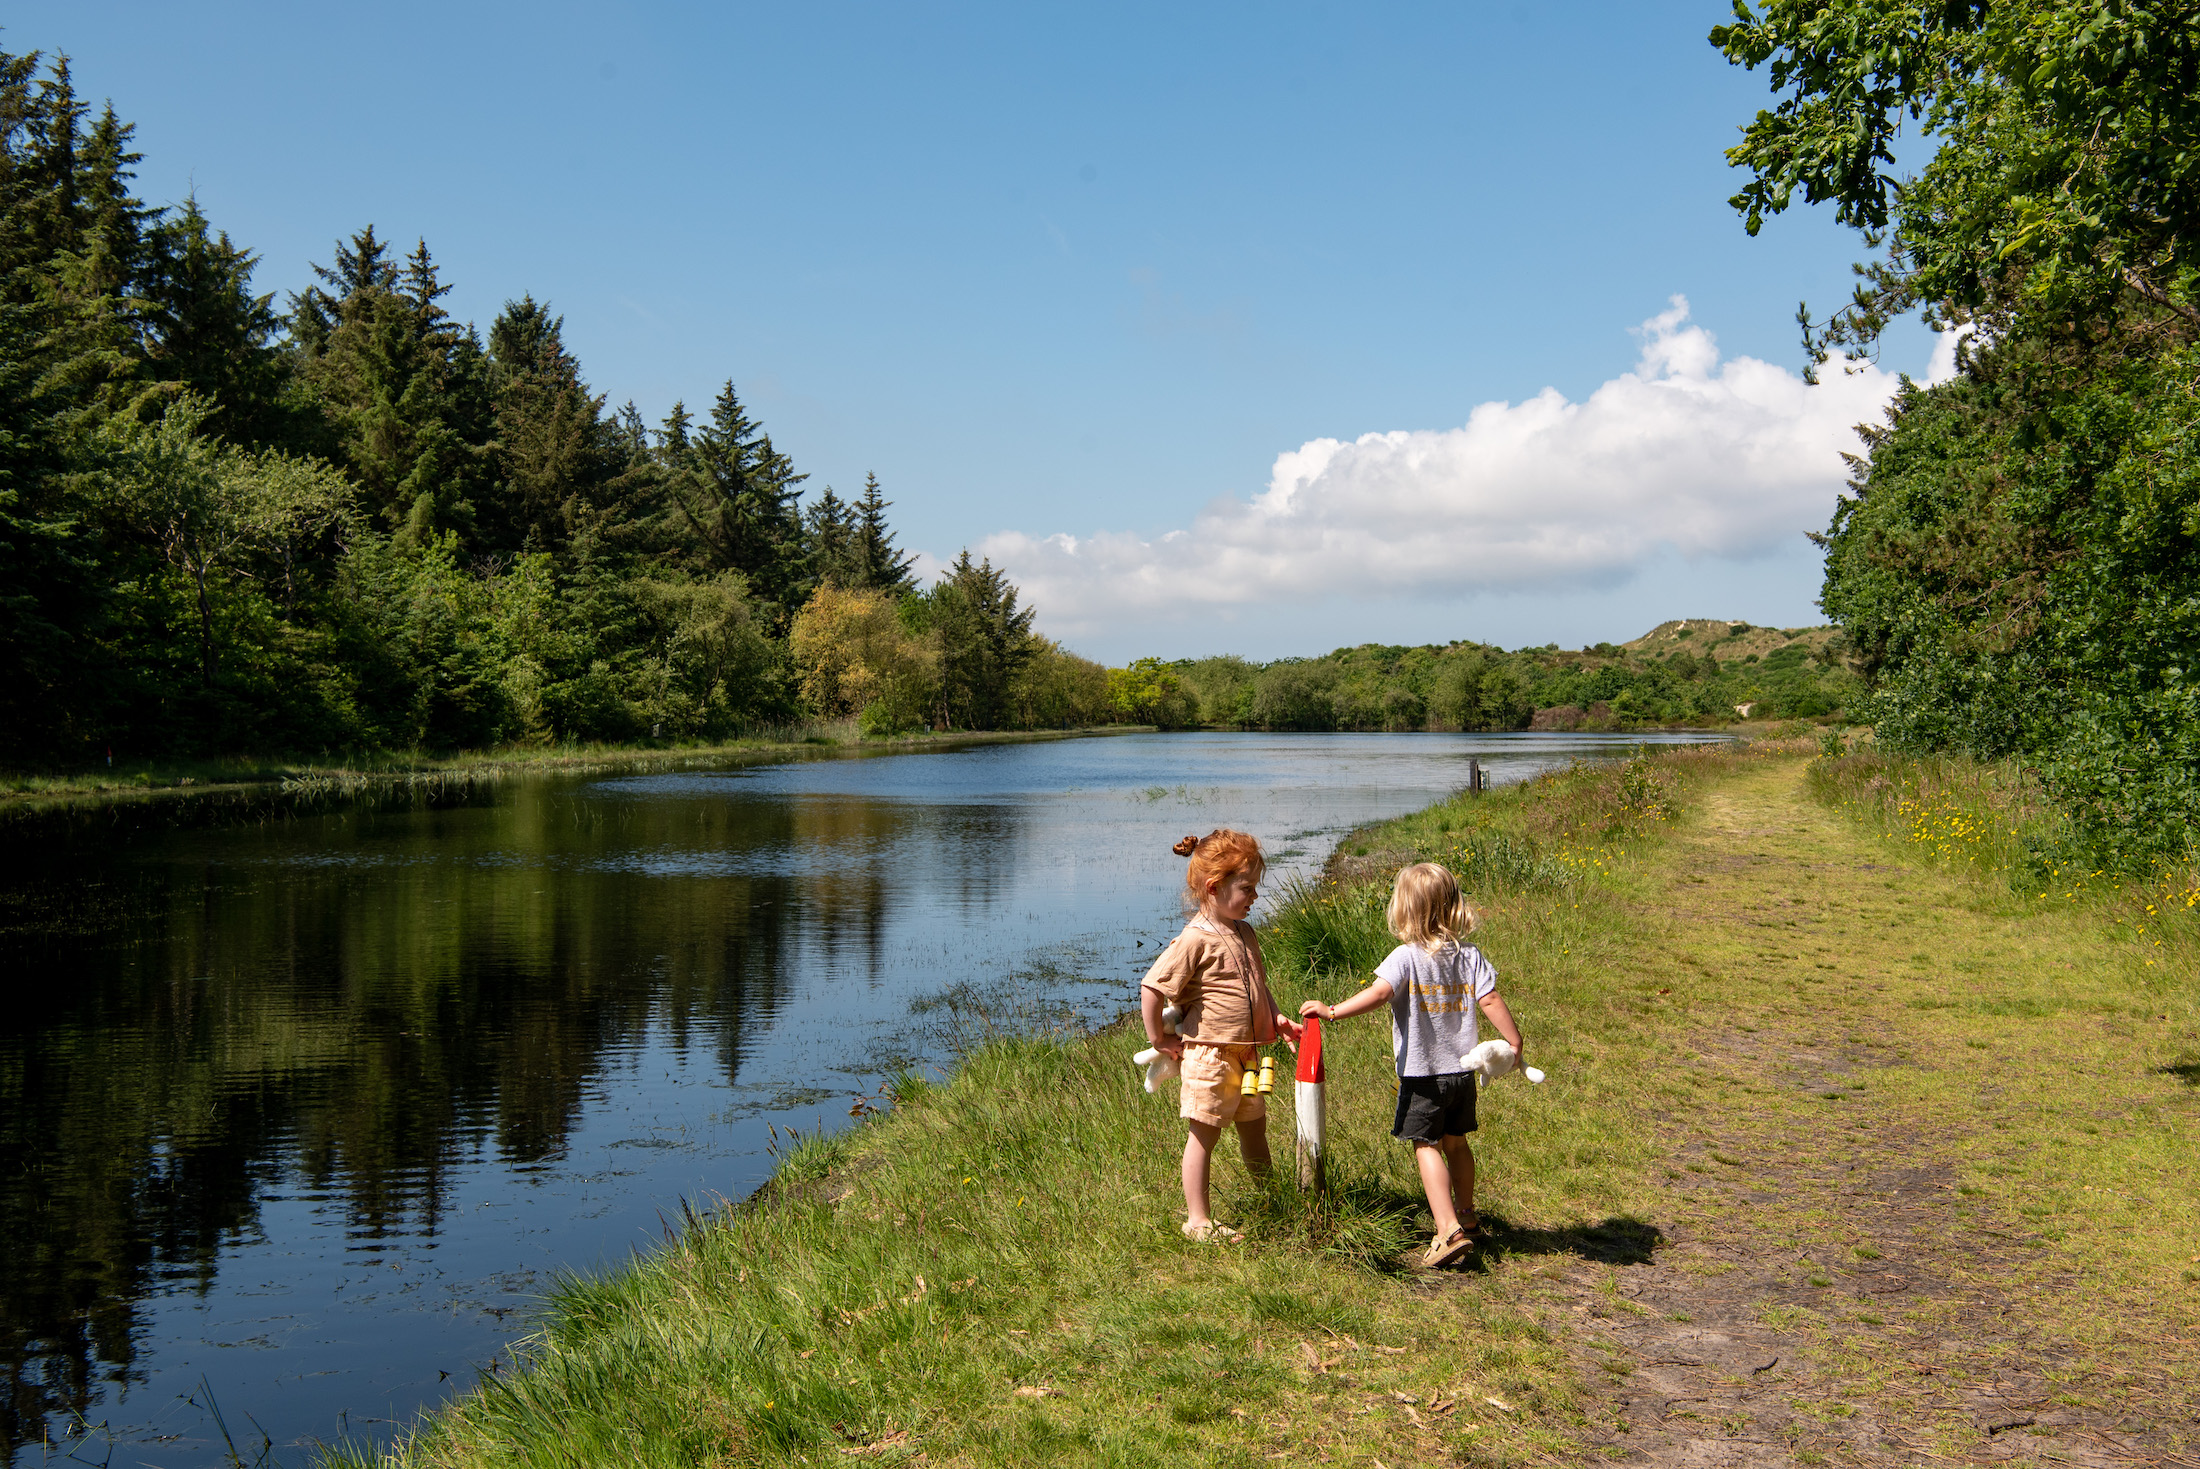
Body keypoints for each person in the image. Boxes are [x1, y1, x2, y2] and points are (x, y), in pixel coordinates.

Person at [1299, 861, 1524, 1268]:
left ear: (1404, 909)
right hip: (1462, 1073)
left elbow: (1379, 994)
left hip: (1424, 1077)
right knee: (1456, 1143)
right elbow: (1489, 999)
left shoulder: (1405, 957)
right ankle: (1468, 1215)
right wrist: (1514, 1040)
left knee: (1425, 1145)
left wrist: (1331, 1011)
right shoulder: (1468, 954)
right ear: (1452, 906)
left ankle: (1447, 1229)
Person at [1140, 828, 1303, 1242]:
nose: (1254, 896)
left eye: (1254, 888)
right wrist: (1159, 1039)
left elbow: (1256, 985)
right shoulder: (1196, 938)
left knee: (1255, 1129)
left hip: (1247, 1054)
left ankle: (1271, 1200)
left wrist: (1276, 1018)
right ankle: (1198, 1220)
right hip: (1209, 1054)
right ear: (1214, 887)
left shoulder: (1244, 931)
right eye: (1247, 888)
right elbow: (1152, 986)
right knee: (1204, 1135)